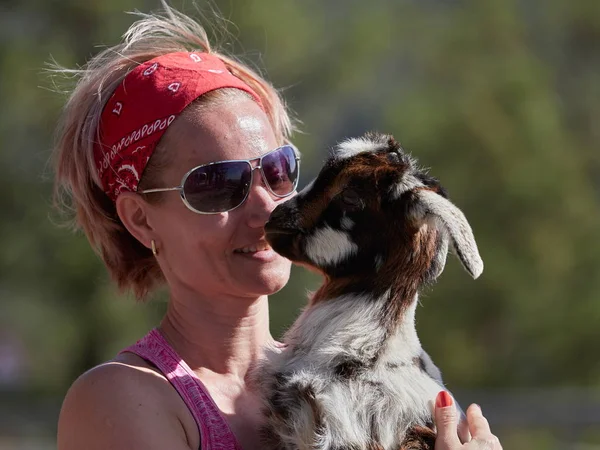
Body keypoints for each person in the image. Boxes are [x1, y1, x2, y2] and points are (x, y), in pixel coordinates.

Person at [53, 4, 502, 450]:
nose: (266, 206)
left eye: (277, 169)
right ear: (140, 218)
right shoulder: (121, 399)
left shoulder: (361, 388)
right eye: (218, 183)